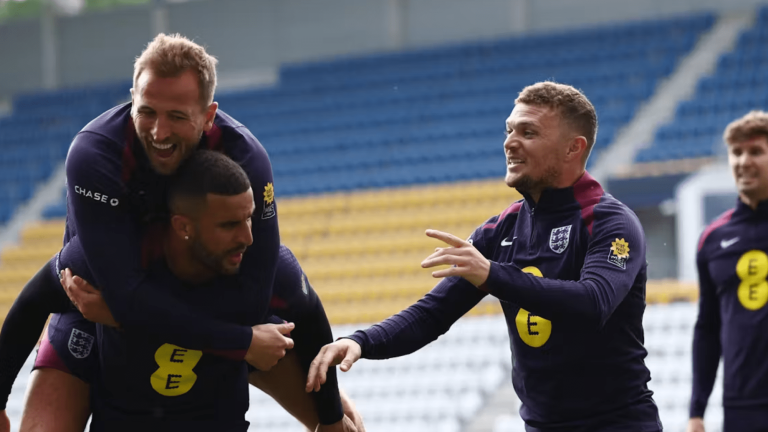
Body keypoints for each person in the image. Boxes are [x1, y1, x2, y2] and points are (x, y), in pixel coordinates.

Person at [0, 33, 343, 429]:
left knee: (342, 422)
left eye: (178, 116)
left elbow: (255, 304)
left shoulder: (246, 160)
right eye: (147, 111)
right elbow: (48, 295)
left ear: (209, 116)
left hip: (205, 314)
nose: (160, 132)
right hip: (93, 314)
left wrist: (329, 412)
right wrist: (242, 342)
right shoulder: (96, 156)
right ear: (132, 98)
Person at [307, 81, 663, 432]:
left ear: (573, 148)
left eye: (529, 132)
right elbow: (432, 314)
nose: (509, 142)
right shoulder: (503, 229)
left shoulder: (610, 221)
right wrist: (360, 341)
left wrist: (493, 275)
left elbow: (593, 303)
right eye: (509, 130)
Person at [21, 151, 360, 431]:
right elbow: (31, 302)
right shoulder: (95, 265)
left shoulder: (253, 269)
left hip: (216, 353)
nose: (246, 236)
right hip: (103, 350)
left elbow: (310, 316)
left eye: (246, 221)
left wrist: (329, 416)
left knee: (344, 422)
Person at [688, 111, 768, 432]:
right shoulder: (712, 238)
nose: (743, 161)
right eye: (736, 152)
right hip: (741, 406)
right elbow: (707, 328)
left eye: (756, 152)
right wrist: (697, 411)